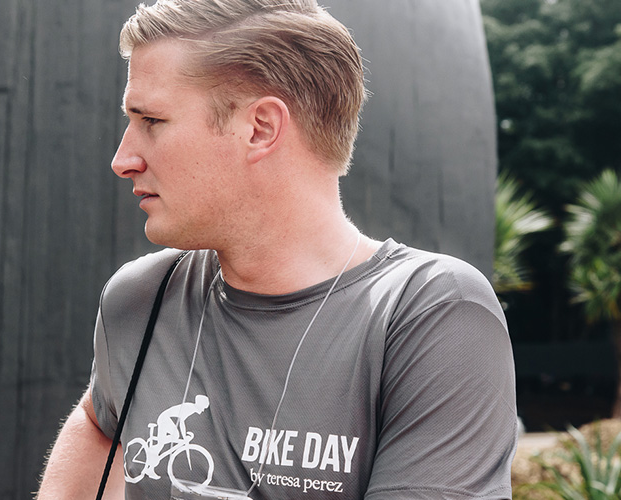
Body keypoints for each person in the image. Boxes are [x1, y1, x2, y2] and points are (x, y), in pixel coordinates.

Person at [36, 0, 517, 498]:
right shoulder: (141, 298)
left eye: (152, 120)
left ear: (261, 128)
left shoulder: (431, 314)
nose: (122, 159)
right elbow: (99, 422)